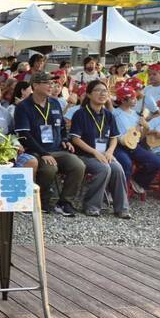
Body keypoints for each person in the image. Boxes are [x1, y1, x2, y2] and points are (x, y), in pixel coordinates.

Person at [14, 71, 84, 216]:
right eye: (47, 83)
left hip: (56, 149)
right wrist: (43, 153)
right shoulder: (23, 107)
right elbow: (24, 135)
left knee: (78, 165)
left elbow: (62, 127)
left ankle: (64, 202)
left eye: (52, 83)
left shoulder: (55, 103)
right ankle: (41, 199)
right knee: (49, 168)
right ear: (36, 85)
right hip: (34, 151)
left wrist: (65, 140)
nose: (51, 86)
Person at [69, 80, 130, 218]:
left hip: (104, 154)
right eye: (98, 90)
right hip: (85, 155)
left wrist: (109, 152)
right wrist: (94, 152)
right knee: (104, 168)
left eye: (105, 91)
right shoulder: (81, 114)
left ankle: (122, 208)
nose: (103, 93)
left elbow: (114, 137)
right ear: (89, 95)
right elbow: (75, 139)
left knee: (118, 168)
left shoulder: (109, 115)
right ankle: (91, 206)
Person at [112, 84, 160, 197]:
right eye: (132, 98)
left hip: (134, 146)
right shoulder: (114, 113)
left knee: (158, 162)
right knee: (126, 164)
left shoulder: (136, 115)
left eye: (135, 97)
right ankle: (117, 193)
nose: (135, 100)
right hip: (118, 146)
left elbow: (140, 137)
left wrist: (145, 127)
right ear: (123, 100)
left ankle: (138, 181)